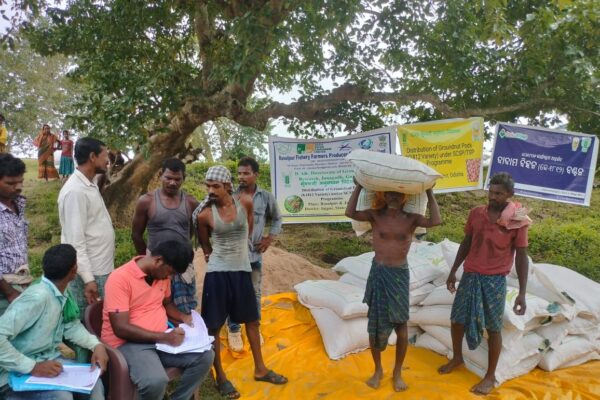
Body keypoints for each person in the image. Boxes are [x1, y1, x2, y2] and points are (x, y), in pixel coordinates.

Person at [196, 165, 287, 399]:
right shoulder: (205, 215)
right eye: (208, 186)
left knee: (252, 321)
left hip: (242, 271)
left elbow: (247, 230)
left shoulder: (245, 203)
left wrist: (238, 255)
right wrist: (218, 258)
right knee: (214, 327)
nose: (211, 190)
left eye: (215, 186)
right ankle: (221, 378)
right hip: (218, 274)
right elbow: (205, 246)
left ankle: (260, 369)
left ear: (227, 186)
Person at [438, 172, 530, 395]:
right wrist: (453, 271)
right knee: (457, 319)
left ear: (510, 195)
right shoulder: (477, 214)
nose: (493, 196)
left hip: (495, 280)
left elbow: (521, 256)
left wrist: (523, 293)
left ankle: (490, 376)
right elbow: (467, 242)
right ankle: (458, 357)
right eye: (491, 191)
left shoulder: (517, 221)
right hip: (470, 274)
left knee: (493, 327)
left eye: (499, 193)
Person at [345, 182, 441, 392]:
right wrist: (359, 187)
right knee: (375, 321)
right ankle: (378, 370)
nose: (393, 198)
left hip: (398, 275)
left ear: (404, 197)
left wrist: (430, 193)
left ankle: (397, 372)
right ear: (384, 195)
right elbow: (349, 212)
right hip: (378, 273)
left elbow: (436, 220)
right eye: (390, 194)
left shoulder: (411, 219)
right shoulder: (375, 215)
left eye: (398, 194)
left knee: (401, 324)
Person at [101, 240, 214, 400]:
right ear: (158, 260)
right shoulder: (119, 279)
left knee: (206, 356)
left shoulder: (161, 277)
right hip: (129, 343)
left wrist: (184, 318)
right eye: (170, 272)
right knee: (155, 381)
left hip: (161, 340)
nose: (170, 277)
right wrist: (164, 337)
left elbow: (166, 303)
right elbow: (121, 328)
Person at [0, 244, 109, 400]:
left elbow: (70, 325)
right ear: (74, 270)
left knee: (94, 386)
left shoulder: (62, 290)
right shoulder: (37, 297)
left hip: (50, 360)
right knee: (61, 396)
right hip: (15, 373)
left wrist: (96, 345)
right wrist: (33, 367)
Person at [226, 156, 282, 352]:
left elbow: (277, 219)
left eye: (246, 173)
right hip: (232, 256)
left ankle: (253, 327)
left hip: (254, 256)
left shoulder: (266, 197)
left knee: (254, 293)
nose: (241, 177)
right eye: (239, 173)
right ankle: (233, 330)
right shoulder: (230, 196)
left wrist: (269, 239)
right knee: (232, 293)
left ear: (255, 175)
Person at [131, 158, 199, 313]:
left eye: (177, 179)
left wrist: (183, 251)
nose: (172, 183)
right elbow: (136, 235)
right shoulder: (146, 201)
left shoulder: (190, 202)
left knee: (185, 306)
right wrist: (146, 260)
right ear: (161, 175)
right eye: (168, 178)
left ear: (184, 179)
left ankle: (187, 335)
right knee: (154, 306)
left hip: (182, 266)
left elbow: (192, 232)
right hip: (157, 265)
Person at [58, 137, 114, 317]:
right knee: (88, 324)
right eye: (105, 155)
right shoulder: (75, 191)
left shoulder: (89, 184)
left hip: (101, 269)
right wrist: (89, 280)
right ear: (92, 156)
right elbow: (75, 242)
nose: (108, 160)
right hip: (90, 274)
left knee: (100, 324)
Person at [0, 154, 30, 316]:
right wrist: (9, 292)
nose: (18, 187)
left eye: (20, 181)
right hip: (4, 289)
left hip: (21, 282)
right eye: (10, 183)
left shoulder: (17, 204)